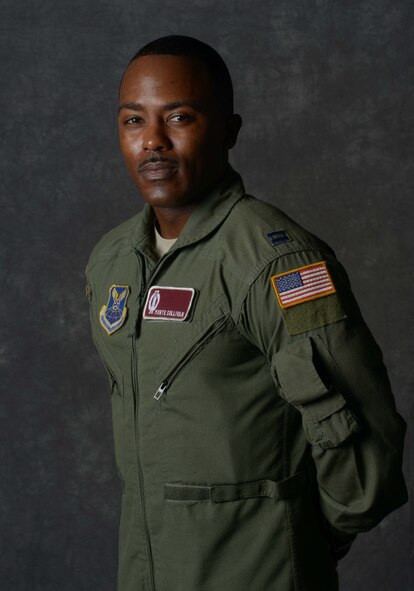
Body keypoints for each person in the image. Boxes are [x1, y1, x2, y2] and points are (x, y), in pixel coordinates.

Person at [85, 35, 407, 591]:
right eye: (134, 121)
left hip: (259, 571)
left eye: (179, 117)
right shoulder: (112, 261)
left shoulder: (273, 264)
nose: (152, 142)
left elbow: (365, 451)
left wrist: (298, 539)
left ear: (229, 132)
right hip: (147, 571)